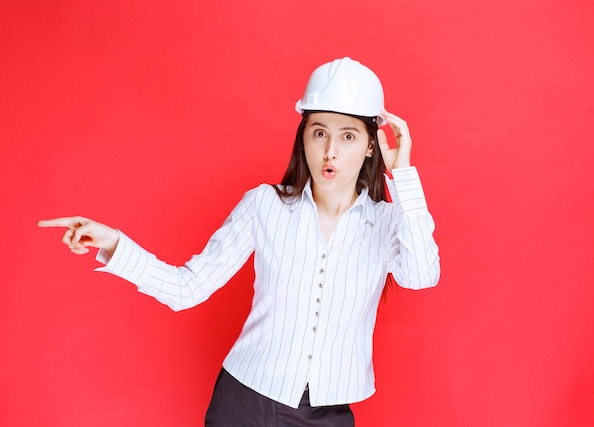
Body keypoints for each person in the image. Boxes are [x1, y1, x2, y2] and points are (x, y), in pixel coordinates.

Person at [38, 57, 440, 427]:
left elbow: (422, 276)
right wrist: (113, 244)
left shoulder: (389, 222)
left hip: (326, 414)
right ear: (304, 138)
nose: (330, 151)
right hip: (242, 402)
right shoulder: (264, 205)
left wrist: (403, 176)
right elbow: (187, 288)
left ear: (372, 145)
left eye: (349, 136)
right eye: (319, 133)